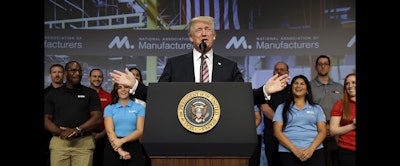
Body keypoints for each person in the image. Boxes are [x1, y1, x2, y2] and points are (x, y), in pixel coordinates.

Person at [109, 16, 290, 105]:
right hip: (182, 134)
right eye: (198, 30)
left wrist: (265, 90)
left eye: (207, 29)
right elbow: (159, 98)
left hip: (220, 135)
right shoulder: (174, 65)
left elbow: (241, 99)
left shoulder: (229, 67)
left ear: (214, 36)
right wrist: (135, 87)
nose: (204, 33)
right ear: (190, 37)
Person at [44, 61, 103, 166]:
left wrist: (77, 130)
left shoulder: (90, 93)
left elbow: (97, 117)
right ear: (66, 73)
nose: (77, 73)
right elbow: (46, 119)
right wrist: (60, 132)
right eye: (73, 70)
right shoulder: (52, 94)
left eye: (79, 71)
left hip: (83, 143)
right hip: (59, 142)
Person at [273, 75, 327, 166]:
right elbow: (277, 132)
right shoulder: (281, 108)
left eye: (302, 84)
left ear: (307, 90)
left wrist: (310, 150)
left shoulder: (316, 108)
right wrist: (294, 149)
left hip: (314, 151)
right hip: (288, 152)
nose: (298, 86)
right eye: (296, 83)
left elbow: (323, 131)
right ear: (291, 88)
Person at [310, 55, 343, 166]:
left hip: (338, 131)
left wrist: (333, 127)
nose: (323, 66)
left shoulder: (340, 87)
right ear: (316, 67)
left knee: (338, 161)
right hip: (316, 131)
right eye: (320, 64)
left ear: (330, 67)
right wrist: (323, 127)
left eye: (325, 64)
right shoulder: (309, 87)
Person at [103, 82, 146, 166]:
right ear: (116, 90)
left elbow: (140, 130)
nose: (123, 90)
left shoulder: (139, 107)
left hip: (133, 145)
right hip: (113, 146)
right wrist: (120, 150)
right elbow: (109, 131)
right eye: (119, 87)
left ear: (130, 89)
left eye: (126, 87)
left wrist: (121, 141)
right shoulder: (109, 108)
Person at [258, 61, 290, 166]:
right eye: (277, 69)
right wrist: (281, 122)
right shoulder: (267, 89)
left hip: (289, 134)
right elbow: (264, 108)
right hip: (271, 136)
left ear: (288, 73)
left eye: (282, 70)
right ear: (273, 72)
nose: (279, 72)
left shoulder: (293, 90)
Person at [329, 73, 356, 166]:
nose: (350, 86)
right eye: (347, 84)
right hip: (347, 150)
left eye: (353, 82)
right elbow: (332, 131)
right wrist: (353, 125)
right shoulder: (340, 104)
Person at [89, 68, 112, 166]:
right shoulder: (84, 94)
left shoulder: (109, 96)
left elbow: (112, 118)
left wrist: (102, 134)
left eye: (99, 77)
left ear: (102, 79)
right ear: (89, 78)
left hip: (104, 136)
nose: (97, 79)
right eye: (94, 76)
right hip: (86, 135)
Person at [129, 67, 151, 166]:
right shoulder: (122, 94)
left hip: (143, 137)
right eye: (132, 74)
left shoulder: (146, 96)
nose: (135, 77)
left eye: (137, 75)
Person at [44, 63, 64, 166]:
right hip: (48, 135)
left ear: (64, 74)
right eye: (54, 72)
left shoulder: (71, 92)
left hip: (68, 133)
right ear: (50, 75)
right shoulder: (45, 93)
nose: (57, 75)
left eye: (60, 72)